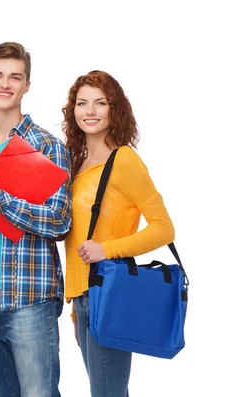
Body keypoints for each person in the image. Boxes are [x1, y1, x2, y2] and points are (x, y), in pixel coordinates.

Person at [0, 42, 72, 397]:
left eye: (15, 77)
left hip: (30, 295)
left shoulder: (47, 146)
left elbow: (59, 221)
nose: (5, 84)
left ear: (27, 85)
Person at [62, 70, 175, 397]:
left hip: (109, 294)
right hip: (84, 298)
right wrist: (74, 308)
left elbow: (164, 228)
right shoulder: (78, 164)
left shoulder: (123, 160)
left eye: (100, 102)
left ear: (115, 109)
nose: (90, 111)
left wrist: (106, 250)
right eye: (82, 103)